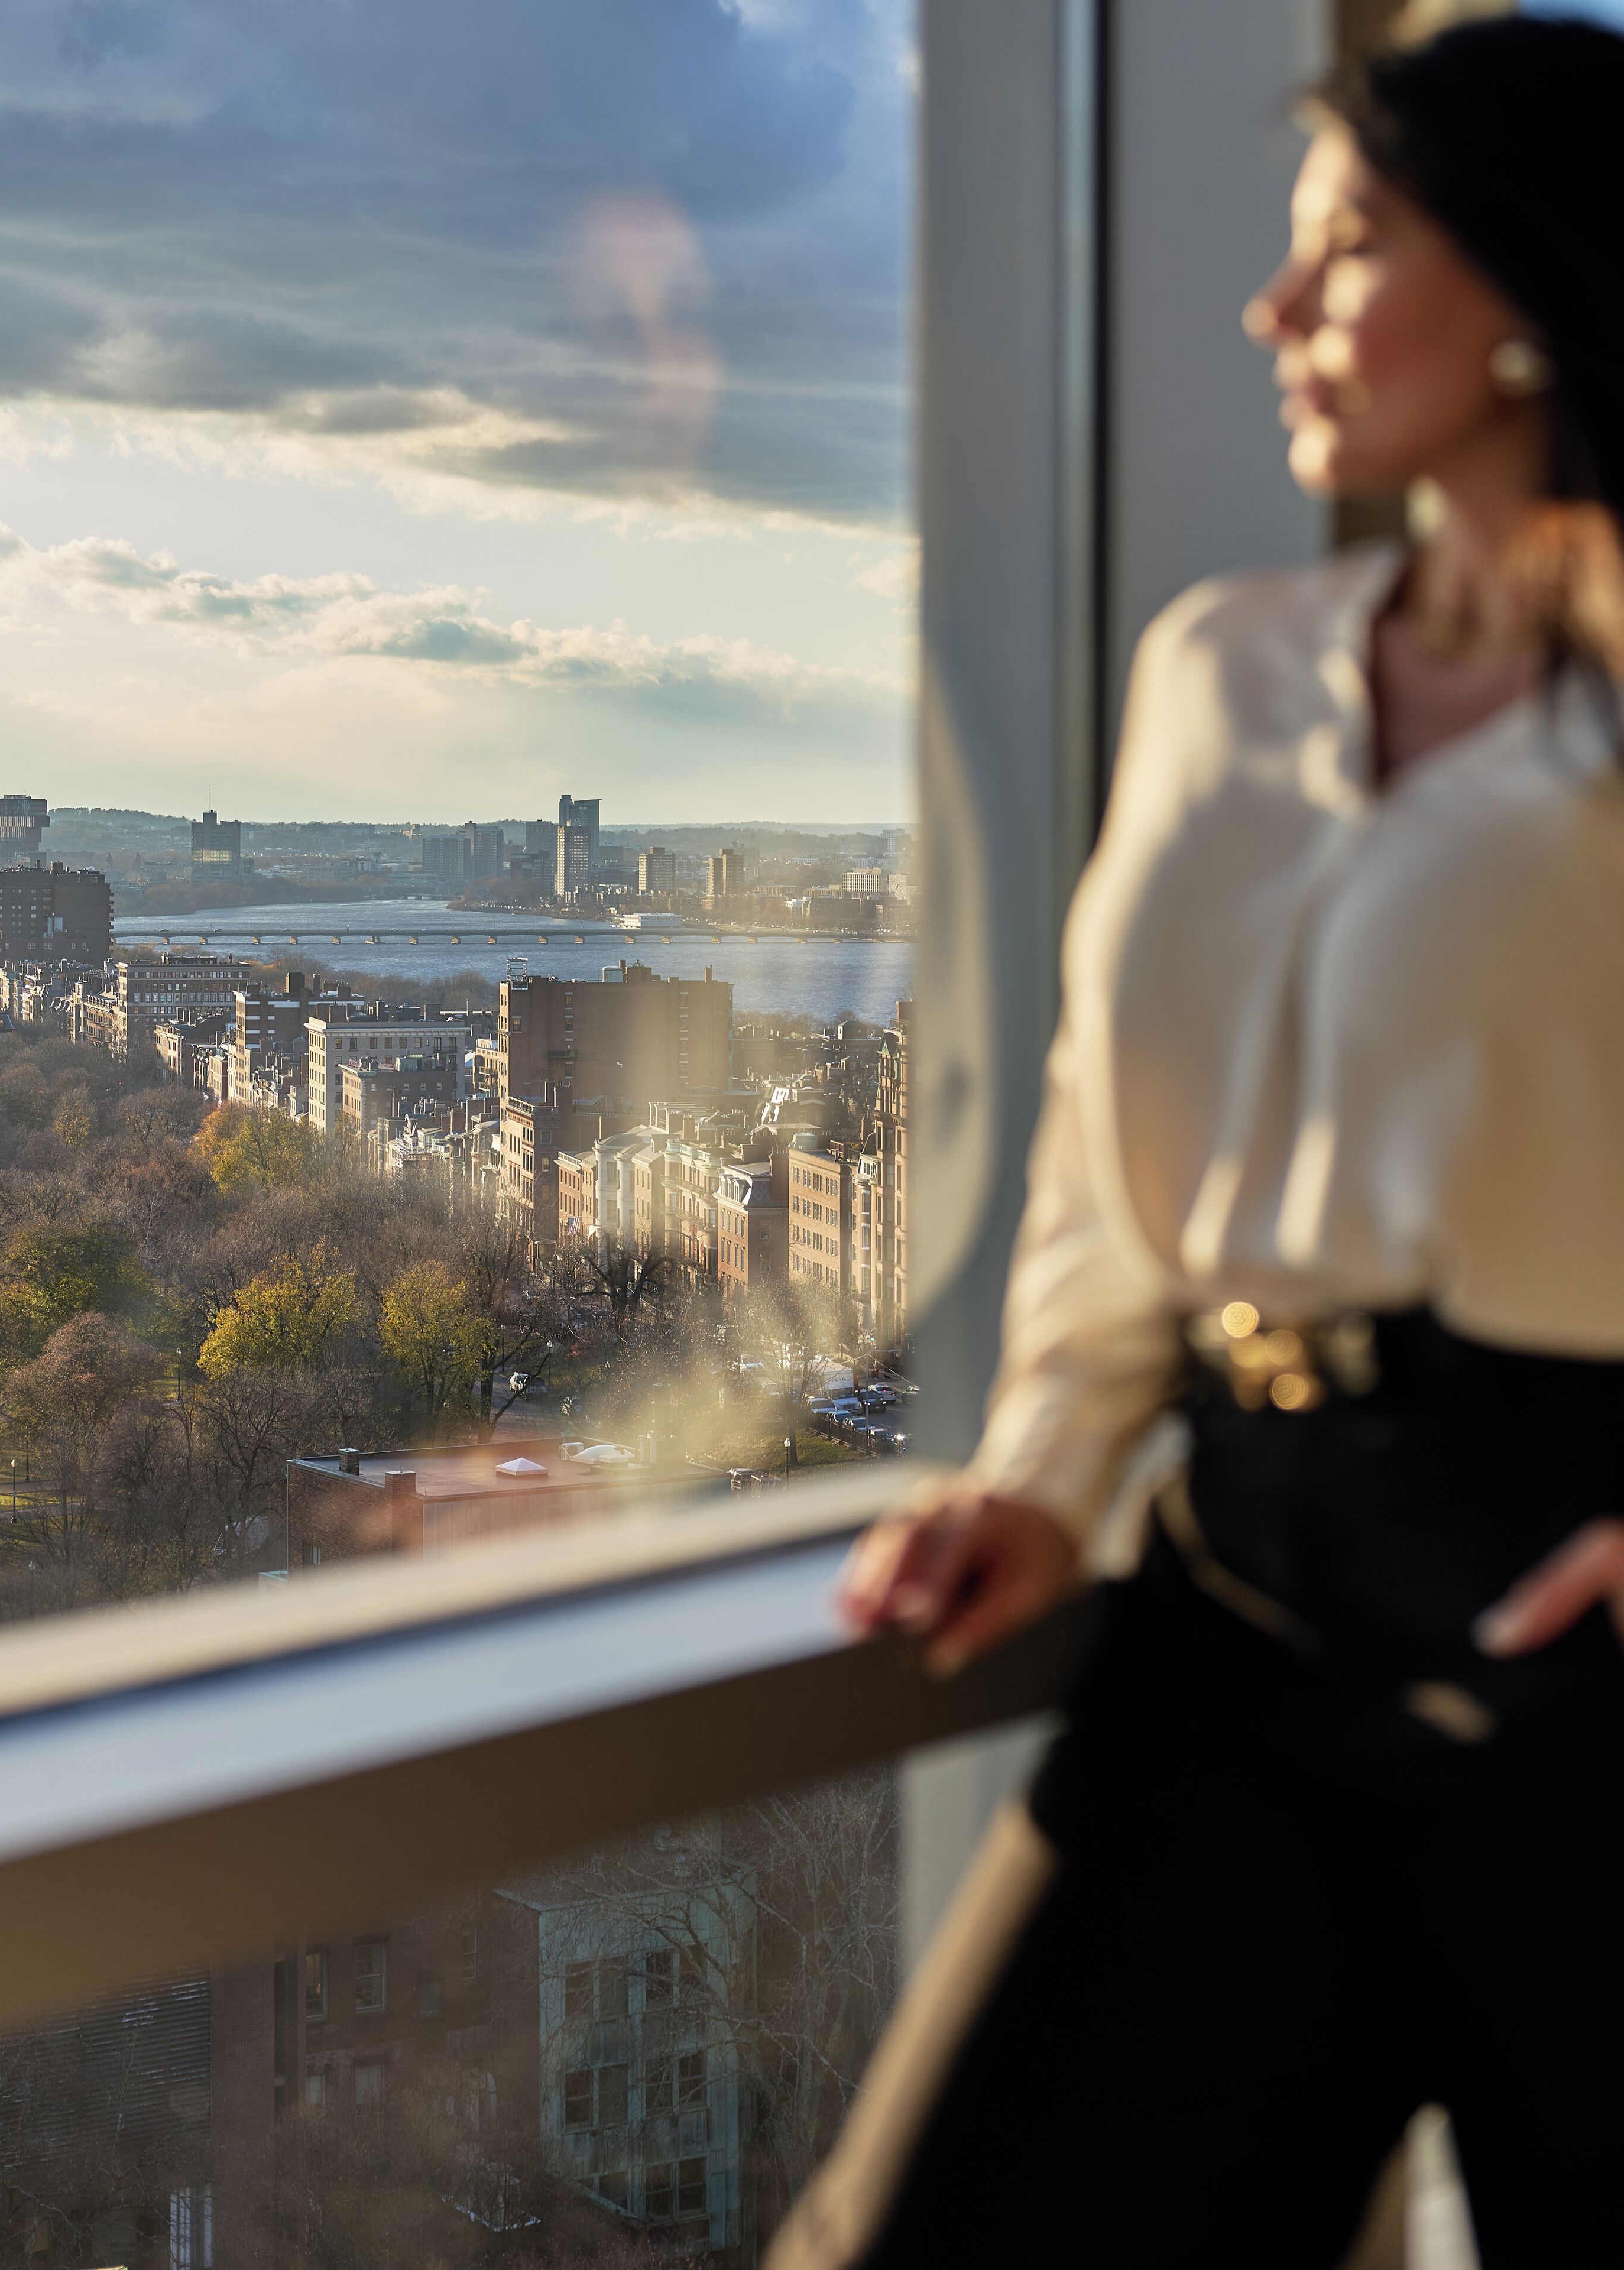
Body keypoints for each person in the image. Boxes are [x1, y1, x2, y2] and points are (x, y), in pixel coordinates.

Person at [768, 17, 1624, 2269]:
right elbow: (1102, 1134)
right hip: (1243, 1581)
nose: (1273, 309)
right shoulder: (1220, 666)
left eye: (1351, 249)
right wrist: (1046, 1469)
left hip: (1577, 1597)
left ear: (1534, 283)